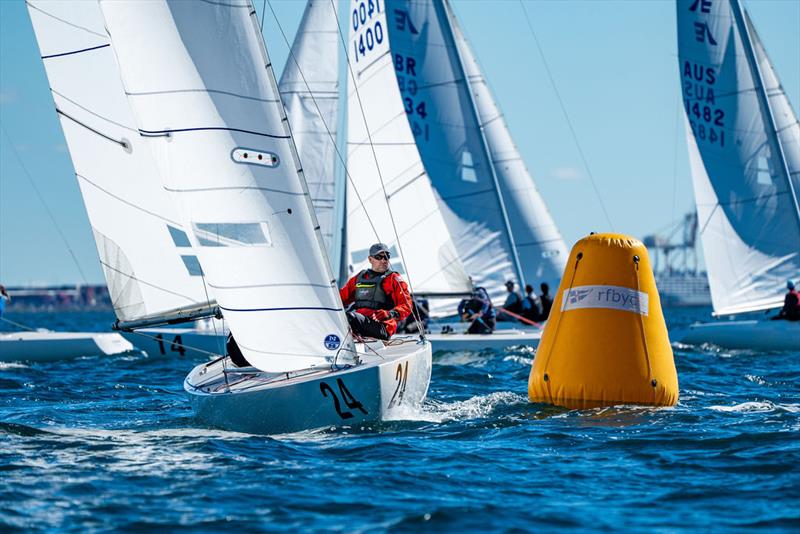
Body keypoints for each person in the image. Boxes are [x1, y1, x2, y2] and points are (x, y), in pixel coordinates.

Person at [339, 243, 412, 340]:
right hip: (360, 323)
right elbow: (339, 299)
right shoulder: (359, 278)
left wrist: (390, 314)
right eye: (379, 257)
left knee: (350, 318)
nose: (383, 260)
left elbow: (407, 305)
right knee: (342, 318)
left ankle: (356, 340)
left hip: (382, 327)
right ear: (370, 259)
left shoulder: (393, 279)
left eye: (386, 257)